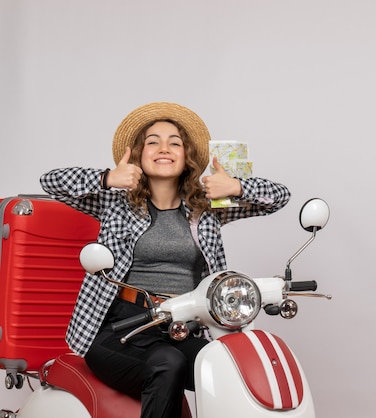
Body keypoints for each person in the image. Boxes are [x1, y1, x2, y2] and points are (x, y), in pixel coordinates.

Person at [40, 102, 291, 418]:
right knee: (167, 364)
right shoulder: (115, 201)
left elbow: (279, 197)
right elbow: (51, 181)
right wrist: (107, 178)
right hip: (120, 326)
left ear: (187, 157)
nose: (164, 148)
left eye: (175, 142)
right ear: (139, 155)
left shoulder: (207, 207)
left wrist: (237, 186)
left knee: (231, 366)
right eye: (153, 141)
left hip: (183, 325)